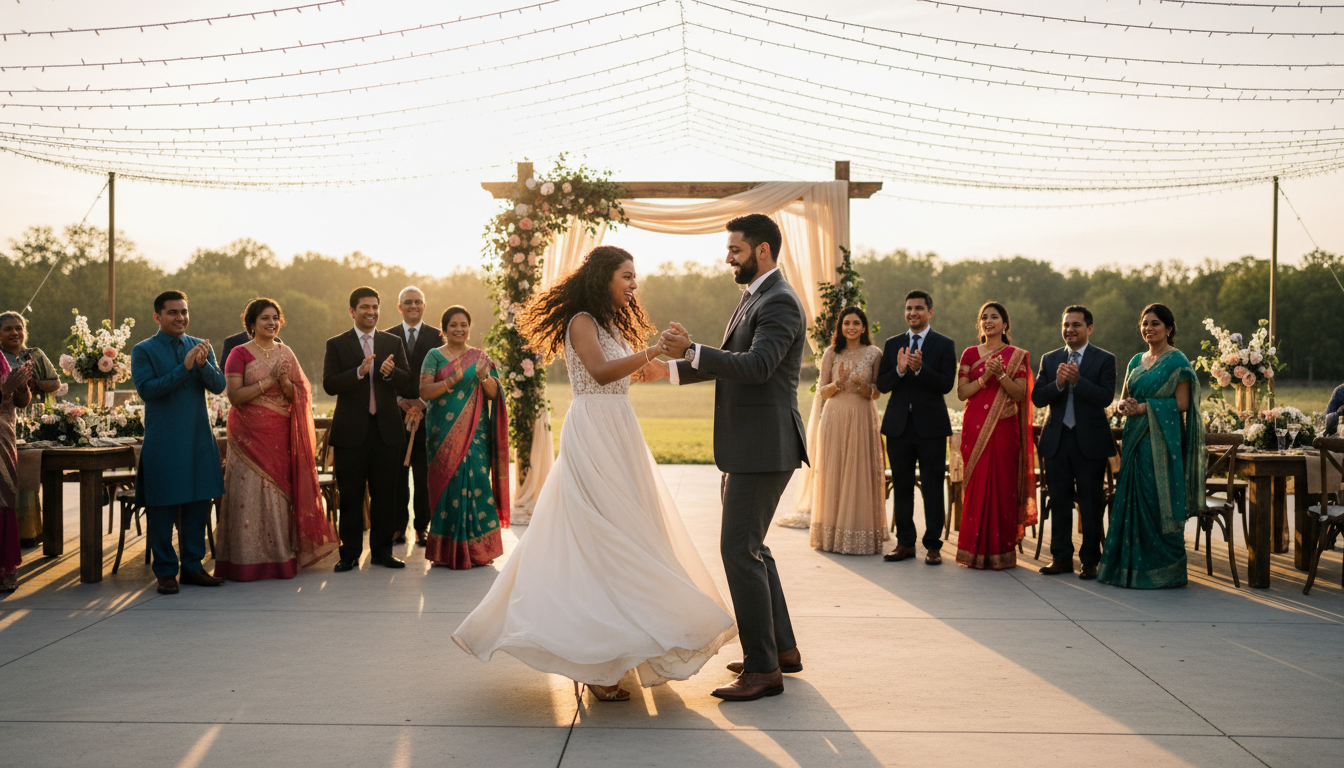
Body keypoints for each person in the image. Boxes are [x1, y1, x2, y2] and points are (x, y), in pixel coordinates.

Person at [452, 245, 735, 703]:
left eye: (635, 278)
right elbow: (601, 373)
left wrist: (691, 358)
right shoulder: (581, 320)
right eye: (627, 276)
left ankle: (633, 647)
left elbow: (643, 374)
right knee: (602, 538)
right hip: (593, 430)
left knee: (634, 532)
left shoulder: (609, 325)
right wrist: (648, 351)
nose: (633, 285)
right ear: (604, 276)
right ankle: (599, 662)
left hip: (621, 430)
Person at [660, 213, 809, 702]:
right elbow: (733, 359)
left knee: (738, 551)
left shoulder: (780, 301)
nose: (728, 256)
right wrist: (670, 371)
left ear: (762, 250)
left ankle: (763, 671)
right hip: (750, 447)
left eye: (735, 249)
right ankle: (781, 650)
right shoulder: (756, 298)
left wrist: (695, 349)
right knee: (754, 548)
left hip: (764, 449)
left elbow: (758, 366)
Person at [214, 298, 339, 581]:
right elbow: (234, 396)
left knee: (278, 496)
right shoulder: (239, 353)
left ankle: (280, 559)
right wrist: (267, 384)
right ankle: (245, 562)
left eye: (275, 318)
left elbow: (301, 394)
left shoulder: (286, 353)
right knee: (248, 495)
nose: (271, 323)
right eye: (264, 319)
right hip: (247, 436)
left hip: (280, 436)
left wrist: (284, 385)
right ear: (251, 324)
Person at [1098, 303, 1203, 590]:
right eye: (1145, 323)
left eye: (1155, 323)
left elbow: (1182, 404)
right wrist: (1125, 405)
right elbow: (1123, 400)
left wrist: (1144, 407)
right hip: (1134, 438)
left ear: (1169, 328)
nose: (1149, 328)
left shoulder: (1177, 362)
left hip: (1161, 442)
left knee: (1158, 500)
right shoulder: (1135, 361)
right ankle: (1129, 568)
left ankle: (1165, 570)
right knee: (1131, 498)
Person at [131, 291, 227, 595]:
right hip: (164, 441)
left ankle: (193, 567)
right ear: (158, 317)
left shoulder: (199, 346)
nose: (180, 318)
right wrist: (184, 368)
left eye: (184, 312)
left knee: (199, 504)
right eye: (173, 313)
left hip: (198, 437)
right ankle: (165, 572)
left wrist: (201, 365)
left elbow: (219, 385)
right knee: (162, 505)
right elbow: (149, 390)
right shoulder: (143, 350)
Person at [322, 287, 415, 572]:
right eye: (364, 307)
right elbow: (329, 384)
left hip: (386, 433)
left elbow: (407, 382)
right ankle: (348, 553)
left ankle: (382, 552)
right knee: (349, 497)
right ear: (352, 311)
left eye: (375, 307)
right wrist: (359, 373)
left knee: (385, 495)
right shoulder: (337, 344)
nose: (371, 312)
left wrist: (389, 373)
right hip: (351, 434)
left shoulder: (392, 341)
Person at [1032, 306, 1118, 580]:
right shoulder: (1049, 358)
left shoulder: (1104, 359)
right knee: (1059, 500)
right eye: (1066, 325)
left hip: (1089, 442)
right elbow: (1037, 398)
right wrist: (1057, 384)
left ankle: (1090, 560)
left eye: (1076, 325)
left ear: (1089, 329)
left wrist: (1078, 382)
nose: (1070, 329)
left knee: (1091, 503)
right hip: (1057, 441)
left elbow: (1105, 397)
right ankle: (1061, 558)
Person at [419, 306, 508, 568]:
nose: (459, 329)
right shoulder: (434, 356)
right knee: (448, 483)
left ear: (469, 327)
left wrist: (483, 377)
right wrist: (448, 383)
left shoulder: (480, 357)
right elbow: (424, 391)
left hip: (475, 433)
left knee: (478, 480)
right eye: (453, 325)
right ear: (444, 329)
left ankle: (480, 549)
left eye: (463, 324)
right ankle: (446, 551)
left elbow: (493, 394)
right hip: (441, 433)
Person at [876, 290, 957, 565]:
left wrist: (921, 369)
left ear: (929, 312)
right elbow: (882, 384)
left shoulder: (944, 344)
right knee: (902, 487)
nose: (913, 313)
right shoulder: (893, 344)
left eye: (919, 308)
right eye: (909, 308)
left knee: (934, 487)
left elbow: (947, 384)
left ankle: (933, 545)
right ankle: (905, 544)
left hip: (932, 428)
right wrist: (899, 370)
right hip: (898, 427)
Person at [954, 301, 1037, 570]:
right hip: (975, 427)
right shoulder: (969, 354)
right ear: (980, 324)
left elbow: (1020, 394)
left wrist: (1000, 375)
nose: (989, 321)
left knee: (1002, 486)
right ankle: (972, 551)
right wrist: (984, 378)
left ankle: (1001, 552)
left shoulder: (1015, 356)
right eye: (984, 317)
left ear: (1005, 324)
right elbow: (962, 393)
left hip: (1004, 430)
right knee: (977, 486)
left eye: (995, 317)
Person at [810, 306, 888, 555]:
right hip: (835, 415)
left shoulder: (874, 354)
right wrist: (838, 384)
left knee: (860, 471)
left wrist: (865, 388)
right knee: (835, 470)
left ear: (864, 327)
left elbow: (877, 392)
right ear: (840, 327)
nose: (851, 327)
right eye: (846, 323)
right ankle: (831, 534)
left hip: (863, 415)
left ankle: (859, 533)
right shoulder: (832, 352)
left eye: (856, 323)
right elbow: (821, 391)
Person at [387, 286, 435, 546]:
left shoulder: (438, 336)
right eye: (408, 302)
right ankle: (397, 527)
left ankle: (422, 527)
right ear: (400, 307)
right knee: (397, 475)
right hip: (396, 417)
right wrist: (399, 401)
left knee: (423, 477)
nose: (413, 306)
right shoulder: (387, 337)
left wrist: (424, 401)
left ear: (424, 306)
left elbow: (442, 374)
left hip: (429, 418)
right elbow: (383, 377)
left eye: (417, 302)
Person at [1, 341, 34, 593]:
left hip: (4, 437)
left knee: (4, 498)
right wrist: (5, 389)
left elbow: (20, 403)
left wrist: (21, 387)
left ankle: (5, 570)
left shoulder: (2, 359)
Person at [0, 312, 61, 397]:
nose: (14, 333)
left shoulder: (35, 354)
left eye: (18, 328)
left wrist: (33, 382)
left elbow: (56, 383)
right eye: (8, 329)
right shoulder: (1, 358)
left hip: (37, 408)